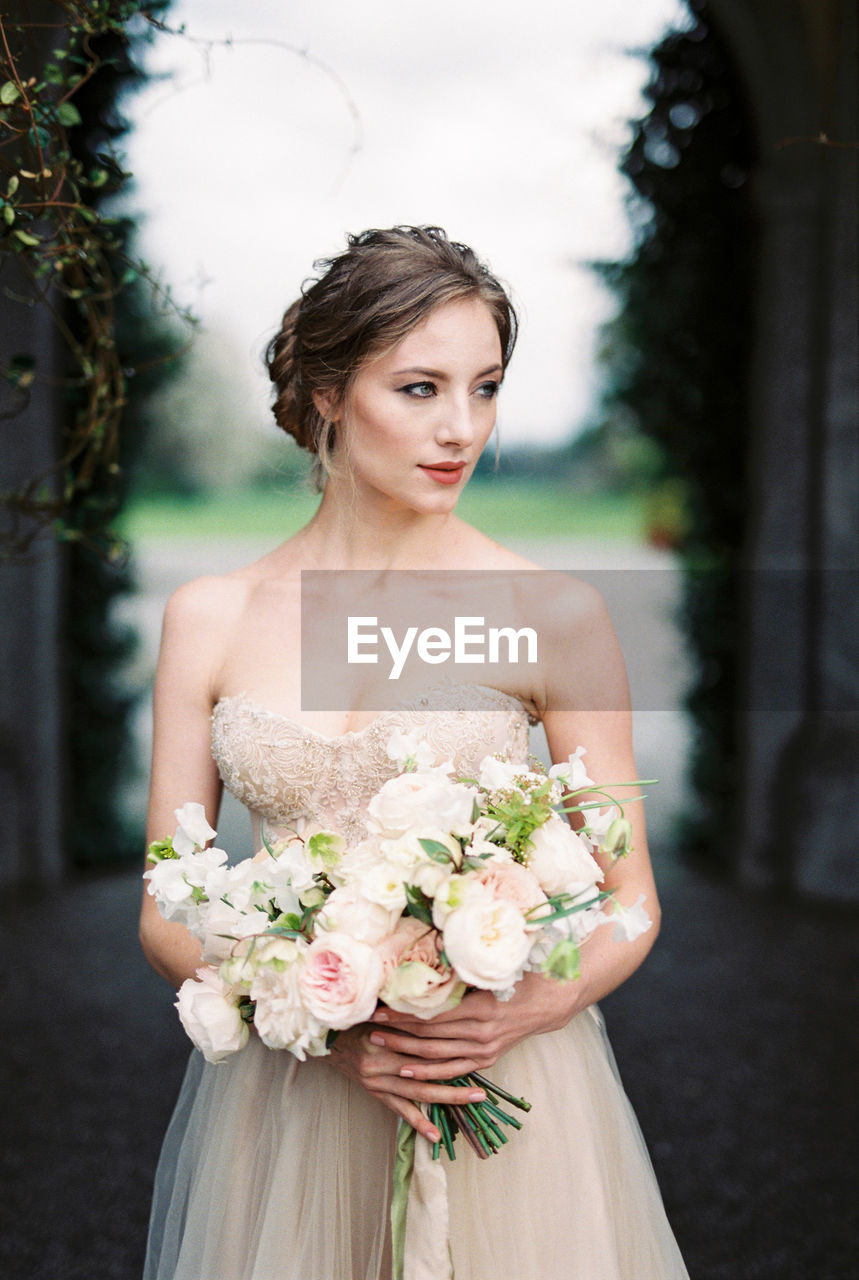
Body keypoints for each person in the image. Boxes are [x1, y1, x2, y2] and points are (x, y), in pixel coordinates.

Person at [140, 225, 689, 1279]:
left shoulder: (551, 614)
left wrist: (527, 1004)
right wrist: (318, 1019)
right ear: (328, 392)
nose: (461, 428)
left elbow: (629, 898)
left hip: (497, 1086)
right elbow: (167, 906)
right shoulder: (211, 616)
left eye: (484, 388)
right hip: (290, 1094)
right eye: (421, 388)